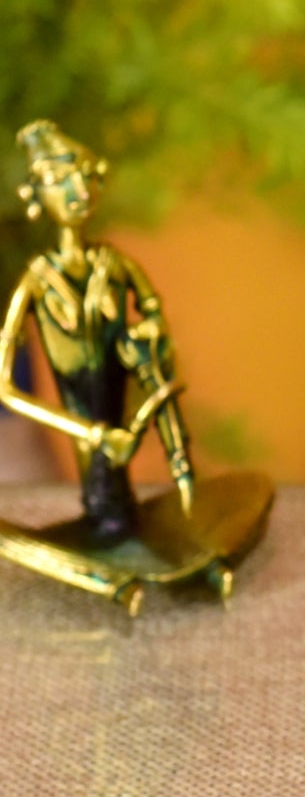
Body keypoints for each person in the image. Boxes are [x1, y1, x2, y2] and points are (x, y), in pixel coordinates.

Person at [0, 121, 194, 543]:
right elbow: (5, 389)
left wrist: (147, 341)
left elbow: (153, 316)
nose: (78, 191)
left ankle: (150, 509)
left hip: (122, 409)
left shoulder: (115, 265)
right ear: (35, 193)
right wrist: (91, 434)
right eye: (60, 180)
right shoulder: (37, 281)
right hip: (86, 429)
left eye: (84, 176)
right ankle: (104, 513)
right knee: (103, 484)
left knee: (127, 480)